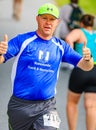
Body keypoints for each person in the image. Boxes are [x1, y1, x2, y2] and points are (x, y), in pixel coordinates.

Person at [0, 3, 93, 130]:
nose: (48, 22)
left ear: (57, 22)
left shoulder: (61, 46)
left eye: (52, 19)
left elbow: (86, 66)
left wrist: (89, 59)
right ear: (37, 19)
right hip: (20, 106)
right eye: (44, 18)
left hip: (46, 106)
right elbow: (2, 58)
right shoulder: (23, 40)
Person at [65, 14, 96, 130]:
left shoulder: (79, 31)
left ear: (81, 23)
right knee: (91, 106)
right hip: (95, 71)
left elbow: (68, 38)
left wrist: (70, 57)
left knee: (72, 102)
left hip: (81, 69)